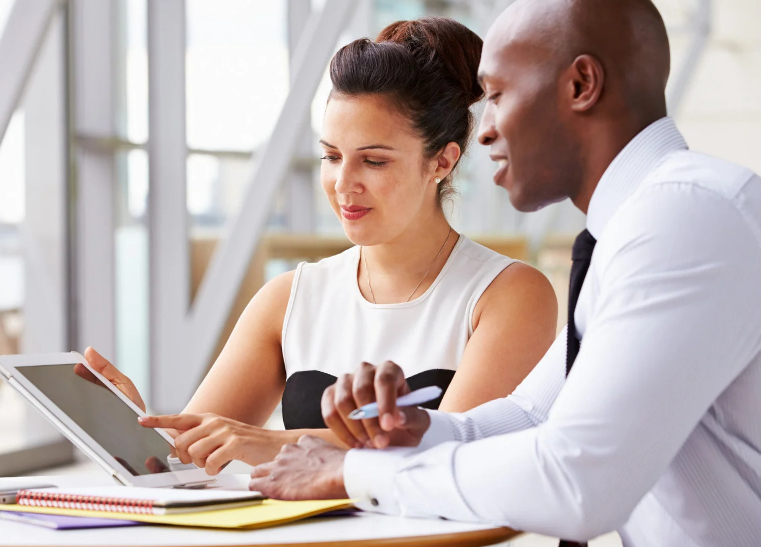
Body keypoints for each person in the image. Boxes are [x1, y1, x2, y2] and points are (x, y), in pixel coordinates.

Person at [247, 1, 761, 546]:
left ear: (581, 85)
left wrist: (356, 473)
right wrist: (415, 432)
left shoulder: (684, 214)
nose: (485, 132)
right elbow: (532, 414)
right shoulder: (635, 227)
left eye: (498, 95)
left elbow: (579, 484)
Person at [83, 17, 557, 475]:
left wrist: (270, 444)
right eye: (331, 156)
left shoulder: (509, 294)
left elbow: (456, 452)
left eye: (373, 161)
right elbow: (191, 456)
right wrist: (134, 425)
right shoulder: (289, 298)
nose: (343, 183)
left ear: (442, 162)